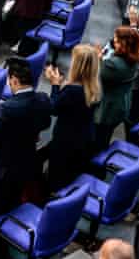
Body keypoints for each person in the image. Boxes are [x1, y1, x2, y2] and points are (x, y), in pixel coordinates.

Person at [0, 57, 52, 258]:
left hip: (2, 169)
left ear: (14, 80)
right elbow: (46, 123)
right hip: (26, 163)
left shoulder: (6, 108)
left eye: (9, 80)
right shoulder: (42, 99)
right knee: (12, 202)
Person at [43, 44, 101, 190]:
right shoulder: (94, 86)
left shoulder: (72, 91)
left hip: (66, 141)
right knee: (73, 175)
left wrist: (55, 84)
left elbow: (54, 108)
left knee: (57, 179)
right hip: (85, 137)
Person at [96, 27, 139, 151]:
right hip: (121, 105)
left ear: (123, 45)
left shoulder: (113, 65)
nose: (113, 42)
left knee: (97, 142)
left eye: (116, 41)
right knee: (104, 138)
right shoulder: (133, 58)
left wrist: (98, 59)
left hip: (107, 109)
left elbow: (95, 75)